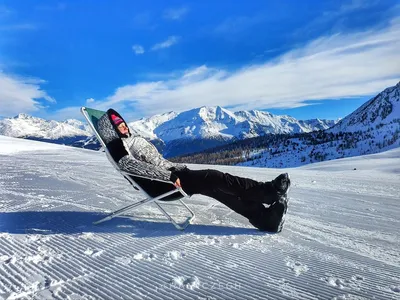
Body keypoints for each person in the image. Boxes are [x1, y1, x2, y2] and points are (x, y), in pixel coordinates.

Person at [97, 108, 291, 233]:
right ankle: (267, 191)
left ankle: (265, 220)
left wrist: (174, 169)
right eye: (117, 125)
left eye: (123, 122)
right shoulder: (116, 145)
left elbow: (156, 160)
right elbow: (128, 165)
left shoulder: (132, 138)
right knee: (214, 177)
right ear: (110, 130)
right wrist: (169, 175)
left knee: (215, 187)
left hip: (172, 176)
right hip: (163, 184)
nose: (123, 126)